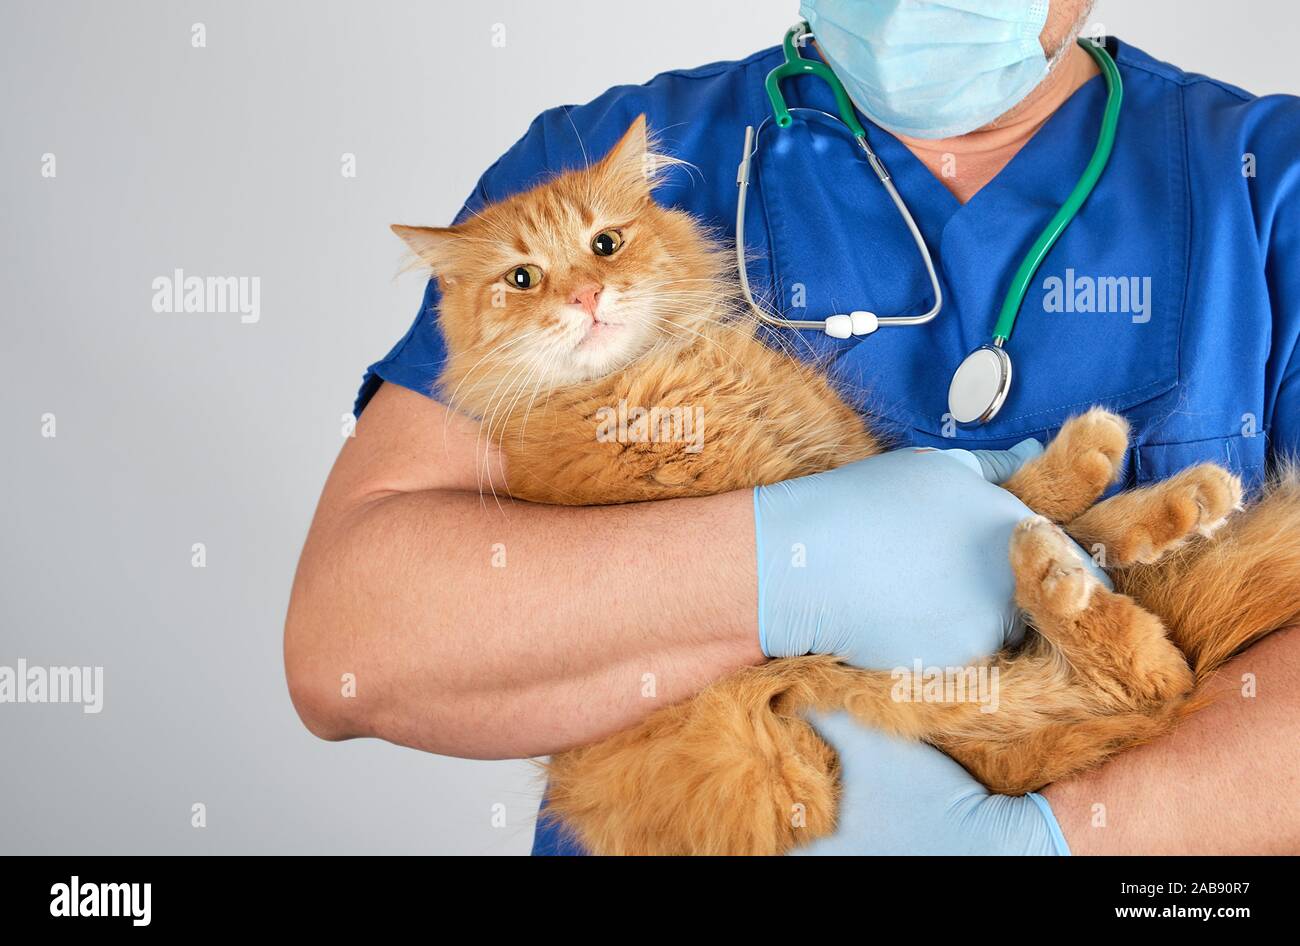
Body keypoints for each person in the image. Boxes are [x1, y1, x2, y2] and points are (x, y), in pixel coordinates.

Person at [284, 0, 1300, 854]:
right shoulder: (595, 167)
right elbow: (351, 644)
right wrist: (795, 569)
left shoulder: (1266, 184)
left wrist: (1049, 843)